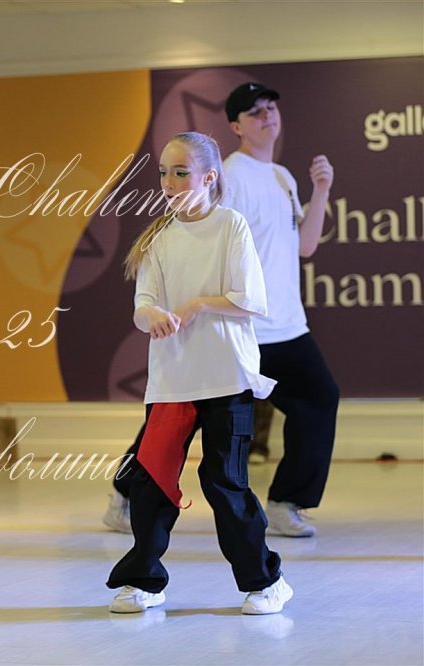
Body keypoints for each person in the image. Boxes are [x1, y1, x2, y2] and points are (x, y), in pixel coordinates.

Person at [104, 83, 339, 539]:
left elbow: (306, 246)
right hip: (238, 324)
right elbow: (203, 235)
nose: (267, 116)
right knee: (179, 414)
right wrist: (197, 306)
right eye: (255, 112)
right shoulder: (230, 175)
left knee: (319, 397)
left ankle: (286, 502)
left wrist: (322, 190)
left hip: (286, 325)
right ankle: (125, 494)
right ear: (236, 127)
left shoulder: (283, 177)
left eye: (271, 108)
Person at [106, 131, 291, 616]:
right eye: (163, 172)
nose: (168, 182)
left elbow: (250, 300)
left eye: (181, 172)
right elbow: (142, 306)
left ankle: (266, 583)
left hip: (226, 378)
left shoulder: (231, 226)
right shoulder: (159, 238)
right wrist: (152, 316)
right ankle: (144, 581)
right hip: (171, 383)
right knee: (151, 482)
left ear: (209, 178)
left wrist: (197, 305)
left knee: (223, 482)